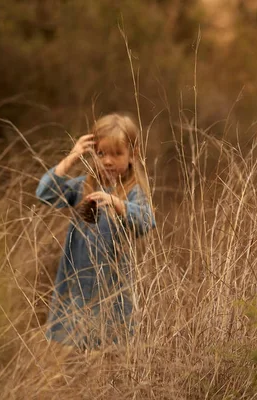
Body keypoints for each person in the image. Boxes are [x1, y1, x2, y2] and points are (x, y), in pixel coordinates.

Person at [36, 113, 155, 349]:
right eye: (101, 154)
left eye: (116, 154)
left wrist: (117, 204)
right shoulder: (84, 186)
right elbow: (45, 194)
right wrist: (72, 157)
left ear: (133, 154)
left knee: (110, 348)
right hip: (77, 284)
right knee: (75, 349)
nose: (108, 161)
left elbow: (146, 220)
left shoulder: (132, 192)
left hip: (112, 289)